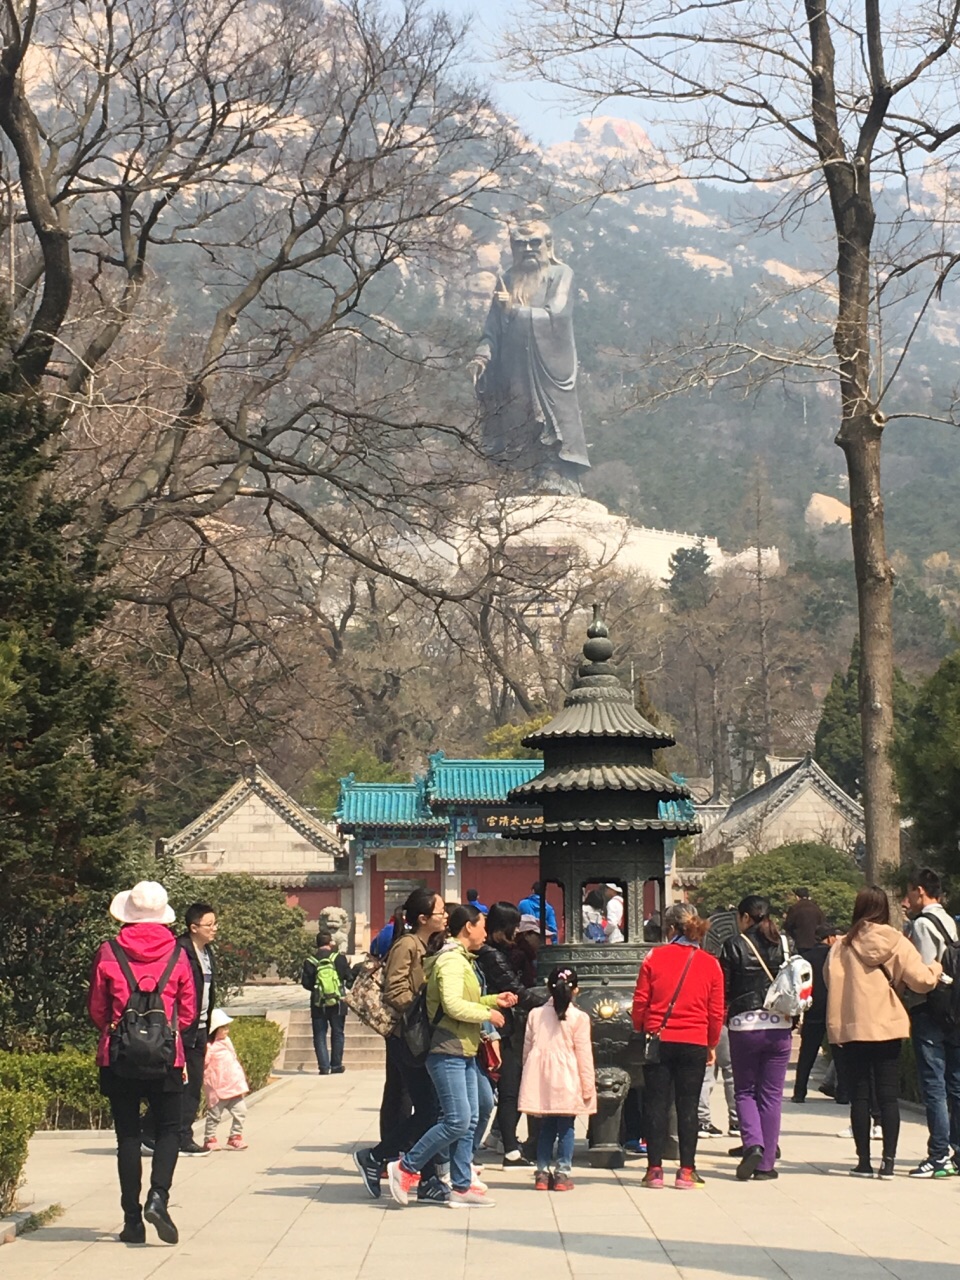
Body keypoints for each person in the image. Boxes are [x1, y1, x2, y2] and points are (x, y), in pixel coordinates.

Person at [386, 904, 518, 1209]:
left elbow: (462, 1000)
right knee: (457, 1119)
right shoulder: (451, 962)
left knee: (471, 1117)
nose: (485, 931)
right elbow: (453, 1006)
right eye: (482, 924)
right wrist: (489, 1014)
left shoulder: (462, 960)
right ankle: (406, 1167)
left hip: (465, 1047)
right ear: (469, 927)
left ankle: (460, 1185)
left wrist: (492, 1000)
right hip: (448, 1049)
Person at [88, 880, 196, 1245]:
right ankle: (158, 1197)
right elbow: (188, 1012)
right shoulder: (179, 954)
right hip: (168, 1058)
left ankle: (132, 1220)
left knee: (128, 1136)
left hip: (118, 1057)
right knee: (169, 1130)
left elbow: (98, 1009)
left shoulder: (108, 951)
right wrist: (162, 1032)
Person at [825, 885, 942, 1178]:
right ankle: (888, 1162)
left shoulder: (841, 945)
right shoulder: (897, 941)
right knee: (888, 1096)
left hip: (852, 1027)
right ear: (884, 909)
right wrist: (937, 969)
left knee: (860, 1096)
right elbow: (921, 980)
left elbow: (829, 980)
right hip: (887, 1025)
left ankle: (863, 1162)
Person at [355, 889, 450, 1204]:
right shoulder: (407, 945)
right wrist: (427, 1000)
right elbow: (394, 992)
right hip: (407, 1039)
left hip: (416, 1037)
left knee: (430, 1111)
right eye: (440, 911)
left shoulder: (424, 944)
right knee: (431, 1111)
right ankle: (380, 1157)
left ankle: (420, 1174)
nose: (445, 915)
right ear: (423, 918)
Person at [632, 902, 724, 1189]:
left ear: (670, 928)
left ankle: (654, 1170)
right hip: (695, 1040)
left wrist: (641, 1027)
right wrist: (711, 1044)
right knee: (688, 1106)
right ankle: (687, 1170)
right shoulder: (710, 963)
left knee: (656, 1104)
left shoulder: (653, 958)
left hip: (660, 1039)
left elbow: (641, 1001)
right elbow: (716, 1011)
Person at [719, 895, 792, 1182]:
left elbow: (725, 988)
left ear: (746, 917)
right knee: (772, 1096)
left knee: (745, 1090)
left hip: (744, 1025)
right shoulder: (784, 943)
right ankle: (767, 1164)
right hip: (780, 1025)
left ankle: (754, 1144)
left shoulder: (734, 945)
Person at [475, 900, 548, 1168]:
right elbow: (516, 989)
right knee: (509, 1089)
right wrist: (550, 1000)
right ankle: (510, 1149)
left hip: (494, 1026)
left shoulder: (486, 953)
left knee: (501, 1091)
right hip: (498, 1028)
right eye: (513, 927)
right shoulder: (493, 955)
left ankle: (505, 1144)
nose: (516, 933)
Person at [900, 867, 960, 1177]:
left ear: (920, 891)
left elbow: (923, 976)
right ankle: (957, 1151)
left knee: (934, 1084)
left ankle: (938, 1155)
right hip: (954, 1009)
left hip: (930, 1010)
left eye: (910, 892)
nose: (907, 899)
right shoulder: (950, 921)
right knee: (956, 1083)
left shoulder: (923, 925)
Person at [519, 965, 596, 1191]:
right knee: (566, 1127)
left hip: (541, 1076)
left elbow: (527, 1049)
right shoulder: (579, 1018)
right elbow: (584, 1054)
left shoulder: (535, 1014)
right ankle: (563, 1173)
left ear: (548, 988)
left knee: (545, 1127)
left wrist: (528, 1073)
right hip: (568, 1077)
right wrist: (588, 1085)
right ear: (576, 990)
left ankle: (542, 1172)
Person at [176, 902, 218, 1155]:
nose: (215, 929)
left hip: (201, 1026)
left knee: (193, 1084)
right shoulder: (179, 951)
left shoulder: (206, 951)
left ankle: (176, 1132)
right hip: (181, 1027)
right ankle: (180, 1136)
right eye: (209, 924)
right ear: (193, 927)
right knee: (182, 1084)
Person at [792, 922, 840, 1103]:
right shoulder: (836, 956)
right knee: (839, 1053)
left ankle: (799, 1091)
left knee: (807, 1053)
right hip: (834, 1008)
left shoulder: (806, 957)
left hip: (813, 1008)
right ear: (829, 938)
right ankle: (842, 1092)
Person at [301, 929, 352, 1075]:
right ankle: (336, 1065)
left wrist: (318, 989)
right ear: (330, 943)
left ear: (316, 944)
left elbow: (305, 983)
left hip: (318, 1003)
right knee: (338, 1032)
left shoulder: (310, 961)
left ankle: (323, 1067)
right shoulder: (339, 958)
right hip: (338, 1001)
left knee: (320, 1034)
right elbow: (348, 977)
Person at [202, 1009, 249, 1151]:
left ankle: (235, 1136)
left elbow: (233, 1058)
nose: (227, 1031)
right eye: (223, 1028)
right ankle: (209, 1138)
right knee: (214, 1115)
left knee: (241, 1111)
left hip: (233, 1085)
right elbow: (204, 1063)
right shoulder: (209, 1046)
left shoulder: (227, 1042)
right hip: (217, 1087)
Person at [697, 1025, 737, 1138]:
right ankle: (737, 1121)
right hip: (726, 1024)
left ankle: (702, 1121)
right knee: (731, 1074)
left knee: (706, 1074)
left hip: (704, 1025)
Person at [784, 888, 826, 952]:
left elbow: (788, 925)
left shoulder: (794, 908)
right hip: (815, 943)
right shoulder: (816, 908)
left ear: (797, 897)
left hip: (799, 943)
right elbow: (822, 924)